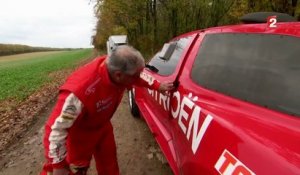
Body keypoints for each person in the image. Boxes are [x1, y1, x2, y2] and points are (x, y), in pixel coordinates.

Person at [41, 45, 174, 175]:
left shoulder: (119, 69)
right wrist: (58, 165)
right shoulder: (80, 92)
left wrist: (157, 86)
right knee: (75, 170)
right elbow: (56, 129)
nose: (138, 79)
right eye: (135, 75)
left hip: (103, 127)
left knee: (109, 166)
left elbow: (138, 78)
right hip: (80, 136)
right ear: (118, 75)